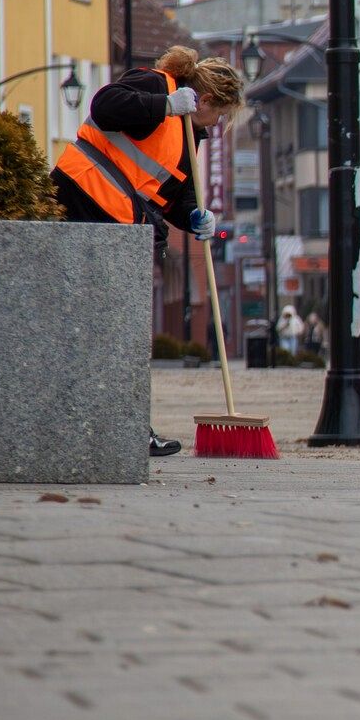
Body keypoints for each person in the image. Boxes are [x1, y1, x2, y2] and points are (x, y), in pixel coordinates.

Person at [52, 45, 240, 459]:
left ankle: (129, 425)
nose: (219, 124)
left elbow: (174, 193)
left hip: (118, 228)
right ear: (205, 100)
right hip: (79, 201)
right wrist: (165, 105)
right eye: (220, 114)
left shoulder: (190, 135)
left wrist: (194, 216)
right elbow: (106, 105)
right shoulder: (157, 85)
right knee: (100, 326)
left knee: (122, 332)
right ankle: (117, 424)